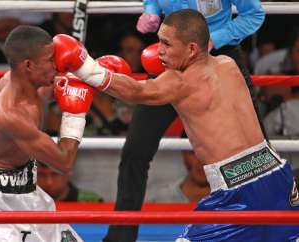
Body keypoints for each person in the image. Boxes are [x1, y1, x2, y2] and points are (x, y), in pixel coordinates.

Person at [52, 9, 299, 241]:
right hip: (279, 178)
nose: (158, 51)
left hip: (237, 191)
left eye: (167, 44)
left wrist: (83, 66)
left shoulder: (179, 82)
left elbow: (137, 91)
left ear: (192, 49)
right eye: (159, 41)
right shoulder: (228, 64)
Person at [108, 0, 267, 240]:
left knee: (256, 143)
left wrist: (215, 38)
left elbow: (254, 15)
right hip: (173, 58)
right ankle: (121, 237)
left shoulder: (225, 64)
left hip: (218, 58)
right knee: (135, 150)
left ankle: (274, 223)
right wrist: (151, 11)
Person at [0, 25, 94, 242]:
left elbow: (63, 84)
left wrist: (89, 71)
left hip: (28, 189)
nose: (56, 65)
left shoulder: (32, 80)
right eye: (50, 60)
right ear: (28, 65)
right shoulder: (10, 114)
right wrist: (76, 113)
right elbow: (64, 162)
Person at [37, 161, 104, 202]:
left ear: (68, 172)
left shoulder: (91, 201)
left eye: (55, 174)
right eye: (41, 174)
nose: (49, 182)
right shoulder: (28, 202)